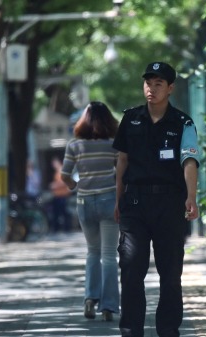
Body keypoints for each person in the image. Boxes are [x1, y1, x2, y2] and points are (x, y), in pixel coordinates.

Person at [112, 62, 201, 337]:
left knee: (171, 276)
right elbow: (122, 161)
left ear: (170, 88)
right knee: (130, 272)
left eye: (158, 83)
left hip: (169, 205)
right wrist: (117, 200)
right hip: (135, 205)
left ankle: (168, 330)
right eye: (148, 83)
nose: (151, 88)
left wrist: (191, 197)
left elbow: (189, 161)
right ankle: (130, 331)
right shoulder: (131, 119)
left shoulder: (183, 123)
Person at [60, 101, 120, 322]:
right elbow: (123, 170)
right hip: (109, 200)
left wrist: (76, 187)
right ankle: (109, 306)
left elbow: (65, 176)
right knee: (109, 256)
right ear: (108, 120)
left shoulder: (74, 146)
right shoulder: (113, 144)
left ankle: (89, 299)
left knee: (92, 252)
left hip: (85, 202)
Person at [49, 157, 72, 233]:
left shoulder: (62, 171)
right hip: (57, 195)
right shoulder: (57, 172)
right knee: (58, 213)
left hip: (62, 195)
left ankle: (66, 228)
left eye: (54, 163)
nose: (53, 165)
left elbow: (64, 182)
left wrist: (55, 185)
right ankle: (58, 228)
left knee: (62, 213)